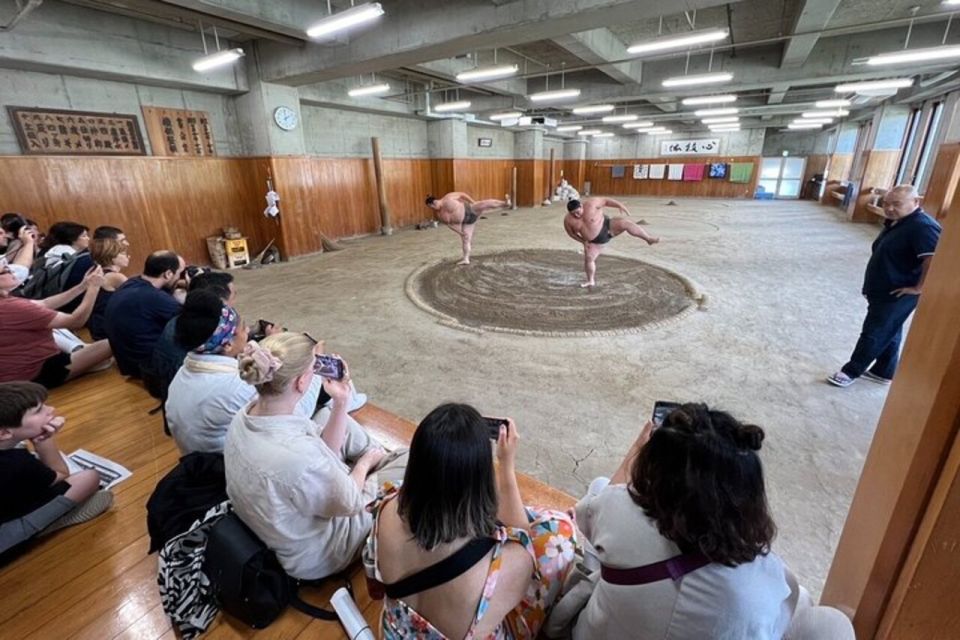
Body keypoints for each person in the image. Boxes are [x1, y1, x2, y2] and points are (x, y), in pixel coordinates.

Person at [566, 403, 854, 640]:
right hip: (744, 608)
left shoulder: (618, 509)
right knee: (831, 624)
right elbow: (778, 620)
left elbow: (600, 507)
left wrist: (639, 449)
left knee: (600, 486)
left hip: (598, 631)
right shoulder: (760, 581)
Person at [365, 403, 577, 639]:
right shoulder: (505, 566)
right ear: (480, 481)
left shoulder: (385, 507)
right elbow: (523, 540)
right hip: (477, 603)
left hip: (395, 632)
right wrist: (506, 465)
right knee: (560, 531)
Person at [224, 332, 407, 580]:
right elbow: (352, 503)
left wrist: (342, 401)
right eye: (314, 367)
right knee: (408, 459)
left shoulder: (245, 417)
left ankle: (375, 462)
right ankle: (381, 464)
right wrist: (364, 465)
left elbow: (317, 454)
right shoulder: (300, 458)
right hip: (322, 552)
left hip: (283, 519)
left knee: (325, 414)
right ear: (301, 382)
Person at [166, 292, 332, 454]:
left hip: (196, 455)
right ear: (227, 345)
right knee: (328, 410)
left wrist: (268, 343)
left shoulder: (184, 371)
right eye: (243, 327)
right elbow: (296, 412)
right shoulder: (239, 385)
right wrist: (314, 362)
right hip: (228, 465)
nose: (247, 331)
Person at [827, 184, 942, 387]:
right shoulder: (898, 222)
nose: (889, 208)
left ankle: (851, 371)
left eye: (896, 204)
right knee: (890, 328)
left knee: (875, 331)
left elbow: (934, 259)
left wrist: (919, 288)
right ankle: (884, 371)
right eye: (886, 204)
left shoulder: (922, 227)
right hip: (884, 286)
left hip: (899, 291)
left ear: (916, 202)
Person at [0, 382, 113, 557]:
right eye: (38, 410)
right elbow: (61, 474)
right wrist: (43, 440)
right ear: (4, 433)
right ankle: (50, 522)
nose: (51, 409)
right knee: (89, 478)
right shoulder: (18, 463)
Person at [0, 258, 112, 387]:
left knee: (101, 359)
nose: (12, 271)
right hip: (36, 372)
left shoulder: (8, 302)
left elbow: (45, 303)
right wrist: (94, 288)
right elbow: (76, 321)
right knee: (111, 343)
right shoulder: (12, 307)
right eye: (5, 271)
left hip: (12, 375)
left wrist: (82, 286)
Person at [103, 250, 184, 377]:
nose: (180, 277)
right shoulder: (155, 297)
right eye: (179, 273)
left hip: (128, 363)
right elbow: (191, 320)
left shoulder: (130, 284)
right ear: (168, 274)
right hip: (150, 368)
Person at [563, 198, 659, 287]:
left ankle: (648, 239)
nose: (576, 215)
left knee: (625, 223)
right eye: (573, 214)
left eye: (577, 212)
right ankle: (590, 281)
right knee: (589, 258)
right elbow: (571, 234)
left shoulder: (591, 204)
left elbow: (606, 201)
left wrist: (619, 205)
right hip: (594, 242)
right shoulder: (568, 220)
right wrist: (583, 241)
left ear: (581, 206)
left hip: (608, 227)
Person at [425, 192, 511, 265]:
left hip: (470, 209)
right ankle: (466, 259)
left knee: (485, 204)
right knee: (466, 239)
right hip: (467, 222)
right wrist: (460, 233)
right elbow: (450, 225)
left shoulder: (448, 198)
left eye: (431, 207)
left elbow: (462, 194)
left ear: (434, 202)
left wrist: (472, 202)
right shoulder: (440, 215)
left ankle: (504, 203)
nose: (432, 209)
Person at [87, 238, 129, 340]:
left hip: (98, 324)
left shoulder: (95, 272)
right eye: (123, 254)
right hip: (109, 329)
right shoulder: (115, 277)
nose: (128, 256)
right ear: (112, 257)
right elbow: (140, 297)